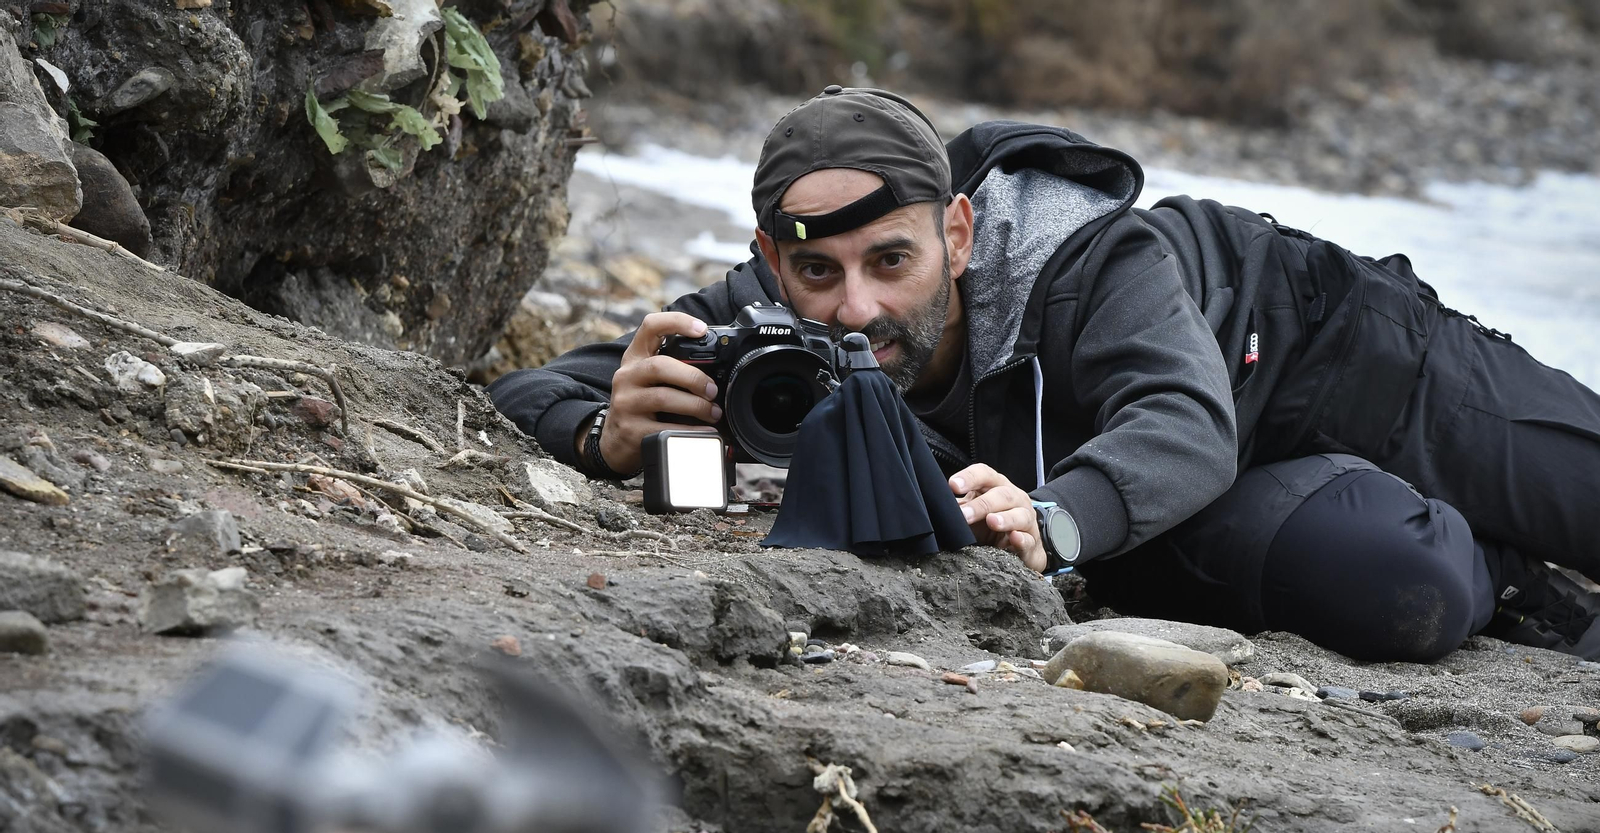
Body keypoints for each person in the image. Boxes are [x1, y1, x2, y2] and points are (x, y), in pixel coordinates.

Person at [491, 85, 1600, 664]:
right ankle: (1508, 575)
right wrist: (607, 435)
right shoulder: (765, 317)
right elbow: (531, 389)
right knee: (1396, 584)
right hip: (1222, 481)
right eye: (817, 272)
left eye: (892, 262)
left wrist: (1052, 519)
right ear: (773, 260)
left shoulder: (1086, 254)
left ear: (958, 233)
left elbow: (1181, 416)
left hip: (1342, 355)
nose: (856, 307)